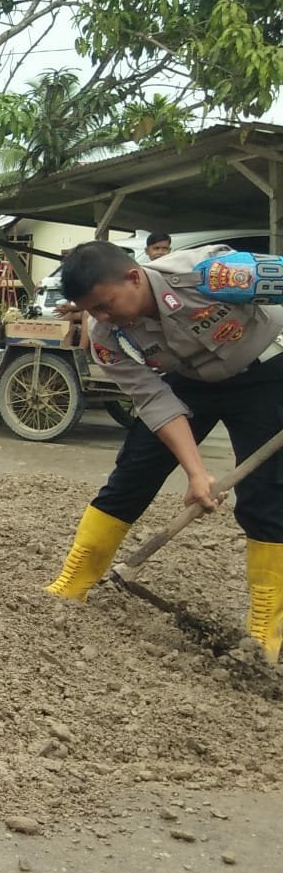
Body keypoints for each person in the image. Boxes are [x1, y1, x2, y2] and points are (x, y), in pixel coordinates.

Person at [44, 240, 283, 664]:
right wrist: (196, 473)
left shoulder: (212, 273)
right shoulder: (106, 337)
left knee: (267, 498)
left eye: (105, 304)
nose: (101, 318)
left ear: (134, 277)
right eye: (91, 310)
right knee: (131, 477)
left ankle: (265, 631)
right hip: (190, 382)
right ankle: (71, 584)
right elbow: (156, 402)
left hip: (266, 373)